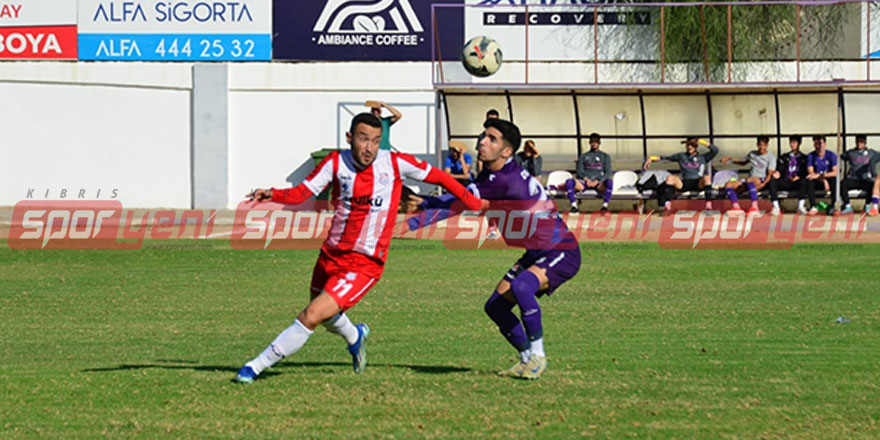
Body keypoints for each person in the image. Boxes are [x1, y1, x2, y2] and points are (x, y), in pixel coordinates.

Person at [232, 113, 483, 383]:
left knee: (312, 315)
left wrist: (471, 200)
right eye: (364, 139)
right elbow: (304, 191)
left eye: (376, 141)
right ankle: (355, 336)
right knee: (327, 316)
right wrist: (273, 193)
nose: (369, 148)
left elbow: (439, 178)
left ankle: (254, 367)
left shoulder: (395, 163)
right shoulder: (335, 163)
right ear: (350, 138)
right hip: (331, 254)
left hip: (365, 262)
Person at [412, 118, 580, 380]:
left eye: (492, 138)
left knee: (523, 286)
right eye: (483, 135)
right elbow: (459, 201)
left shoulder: (505, 180)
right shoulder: (493, 174)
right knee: (495, 307)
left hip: (561, 250)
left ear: (507, 151)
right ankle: (526, 359)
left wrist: (421, 209)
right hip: (537, 252)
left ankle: (538, 355)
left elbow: (457, 203)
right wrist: (424, 204)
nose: (482, 141)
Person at [643, 137, 718, 214]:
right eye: (688, 145)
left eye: (692, 145)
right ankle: (667, 203)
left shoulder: (703, 157)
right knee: (670, 178)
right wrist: (651, 158)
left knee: (707, 177)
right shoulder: (681, 156)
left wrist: (701, 141)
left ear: (696, 146)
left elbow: (715, 150)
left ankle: (708, 203)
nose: (690, 147)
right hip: (684, 182)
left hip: (698, 183)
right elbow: (666, 158)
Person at [720, 135, 778, 216]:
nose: (761, 147)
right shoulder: (752, 154)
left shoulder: (771, 157)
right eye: (760, 145)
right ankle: (736, 208)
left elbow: (770, 174)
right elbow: (743, 161)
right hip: (749, 181)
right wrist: (730, 159)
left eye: (764, 145)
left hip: (761, 180)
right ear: (757, 144)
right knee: (728, 185)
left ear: (767, 145)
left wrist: (763, 184)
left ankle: (755, 207)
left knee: (749, 180)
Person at [565, 132, 613, 213]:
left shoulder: (605, 156)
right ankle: (574, 206)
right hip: (585, 182)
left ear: (599, 143)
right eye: (592, 142)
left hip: (598, 183)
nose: (594, 144)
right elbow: (579, 171)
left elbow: (608, 172)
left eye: (596, 142)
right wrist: (586, 179)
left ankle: (605, 206)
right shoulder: (583, 156)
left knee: (609, 182)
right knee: (569, 182)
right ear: (589, 143)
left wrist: (598, 180)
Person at [838, 134, 880, 215]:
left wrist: (873, 166)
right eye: (857, 141)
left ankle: (867, 205)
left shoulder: (871, 153)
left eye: (861, 142)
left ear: (865, 143)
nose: (859, 143)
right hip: (853, 178)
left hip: (865, 178)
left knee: (873, 185)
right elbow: (842, 156)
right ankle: (847, 206)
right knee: (842, 184)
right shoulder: (851, 153)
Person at [772, 135, 809, 214]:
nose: (792, 144)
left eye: (794, 142)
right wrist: (778, 173)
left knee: (803, 182)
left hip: (797, 182)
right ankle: (776, 206)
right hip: (786, 181)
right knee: (773, 182)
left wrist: (799, 177)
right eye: (791, 142)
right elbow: (780, 169)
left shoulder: (804, 158)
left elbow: (806, 172)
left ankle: (800, 206)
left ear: (799, 143)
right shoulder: (784, 157)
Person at [804, 135, 839, 215]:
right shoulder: (811, 156)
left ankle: (834, 206)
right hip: (818, 181)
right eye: (816, 144)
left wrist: (823, 177)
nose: (818, 146)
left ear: (825, 144)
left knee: (835, 181)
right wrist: (823, 179)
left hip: (828, 179)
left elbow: (835, 172)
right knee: (809, 181)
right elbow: (811, 173)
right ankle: (813, 206)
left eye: (820, 143)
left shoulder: (831, 155)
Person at [474, 109, 500, 175]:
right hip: (487, 169)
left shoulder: (503, 136)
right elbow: (480, 156)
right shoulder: (482, 136)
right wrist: (480, 171)